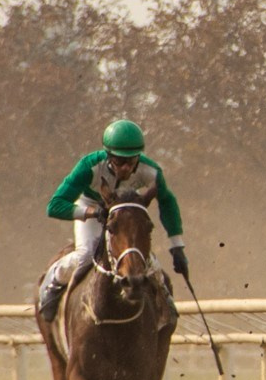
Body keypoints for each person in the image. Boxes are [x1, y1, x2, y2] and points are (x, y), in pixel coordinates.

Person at [36, 119, 188, 322]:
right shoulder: (89, 166)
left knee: (142, 256)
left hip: (125, 210)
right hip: (92, 206)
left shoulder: (151, 171)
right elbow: (54, 206)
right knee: (86, 253)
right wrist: (92, 212)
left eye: (131, 162)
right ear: (108, 156)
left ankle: (163, 294)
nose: (125, 168)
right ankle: (53, 282)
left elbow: (168, 202)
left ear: (139, 157)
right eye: (119, 162)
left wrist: (177, 246)